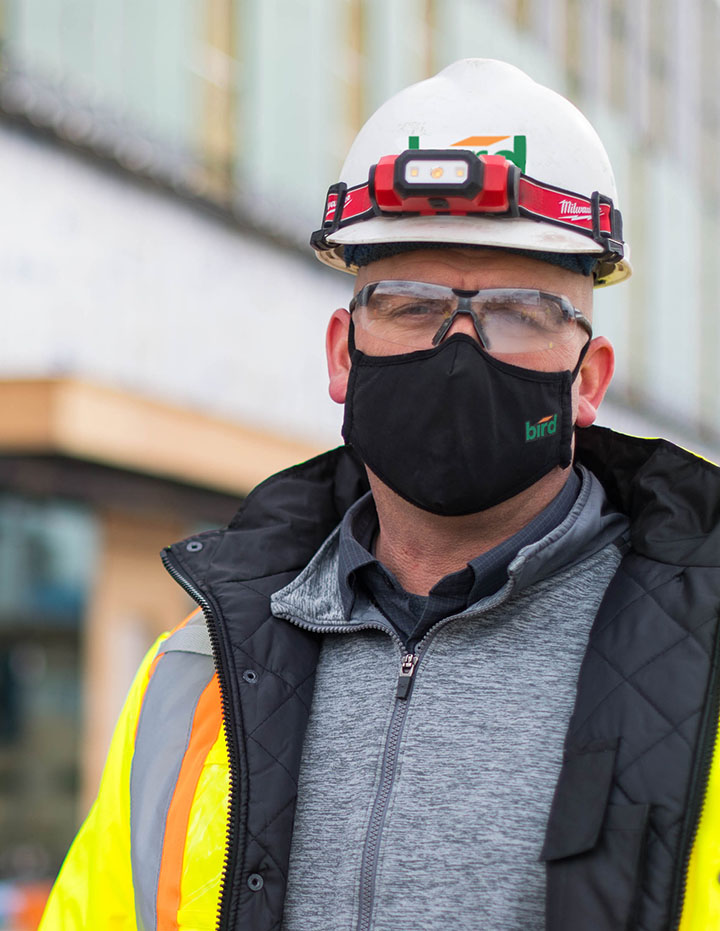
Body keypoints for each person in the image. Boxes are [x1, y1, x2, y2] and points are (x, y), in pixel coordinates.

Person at [40, 59, 720, 931]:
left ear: (589, 379)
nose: (461, 345)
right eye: (409, 304)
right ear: (341, 352)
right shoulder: (194, 674)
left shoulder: (698, 664)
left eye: (520, 311)